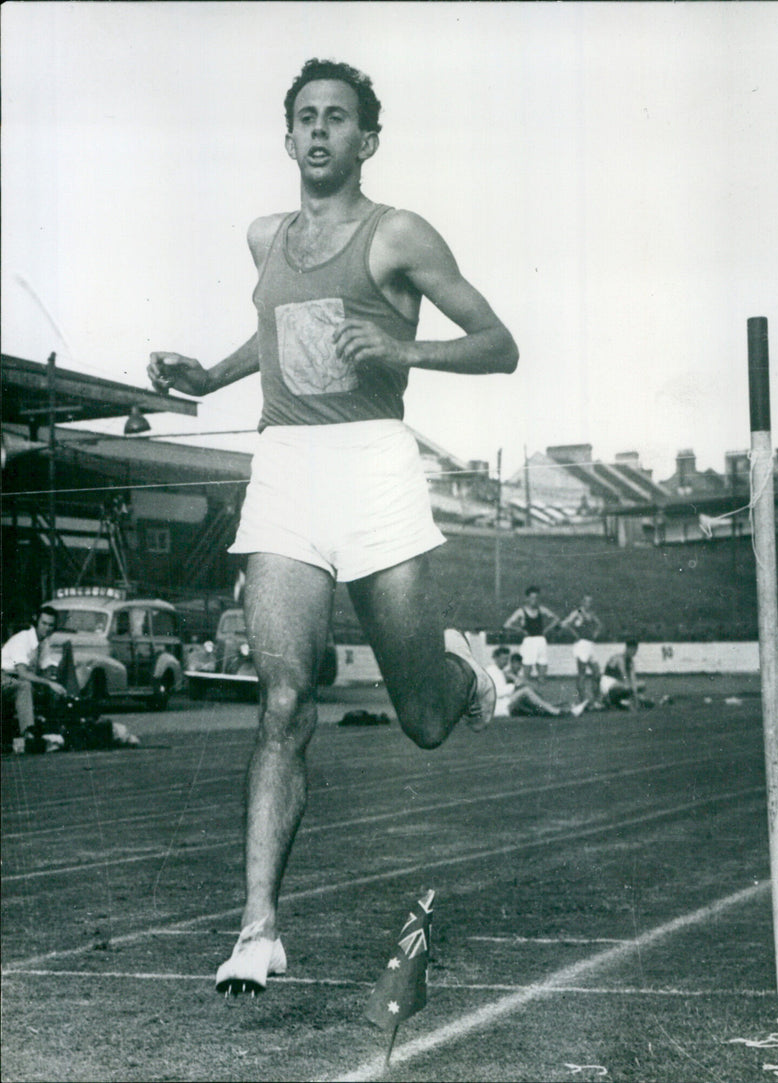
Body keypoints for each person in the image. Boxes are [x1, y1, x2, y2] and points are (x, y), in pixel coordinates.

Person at [147, 59, 518, 995]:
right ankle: (258, 927)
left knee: (425, 720)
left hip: (375, 467)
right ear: (288, 138)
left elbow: (500, 343)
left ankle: (465, 673)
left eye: (337, 119)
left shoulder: (399, 236)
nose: (319, 132)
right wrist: (206, 378)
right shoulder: (265, 235)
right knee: (282, 702)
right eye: (305, 119)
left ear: (367, 140)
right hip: (285, 472)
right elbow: (279, 332)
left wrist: (404, 347)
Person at [1, 607, 67, 748]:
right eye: (44, 623)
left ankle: (55, 731)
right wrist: (49, 683)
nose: (47, 628)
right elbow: (22, 673)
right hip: (4, 675)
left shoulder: (43, 642)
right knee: (24, 686)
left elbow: (46, 668)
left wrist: (55, 682)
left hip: (14, 679)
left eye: (51, 625)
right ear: (36, 621)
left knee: (46, 689)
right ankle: (28, 734)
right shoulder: (23, 639)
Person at [485, 647, 570, 718]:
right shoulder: (491, 671)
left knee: (528, 697)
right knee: (526, 691)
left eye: (507, 659)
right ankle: (554, 710)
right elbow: (496, 693)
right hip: (498, 706)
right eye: (503, 659)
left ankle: (554, 708)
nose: (506, 662)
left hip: (504, 702)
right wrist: (513, 686)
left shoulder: (499, 671)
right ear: (495, 658)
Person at [503, 585, 562, 680]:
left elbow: (556, 619)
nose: (534, 600)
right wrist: (520, 630)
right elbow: (507, 624)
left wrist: (547, 629)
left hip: (541, 640)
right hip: (529, 641)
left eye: (536, 598)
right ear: (527, 598)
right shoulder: (521, 611)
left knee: (542, 666)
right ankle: (526, 691)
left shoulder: (541, 609)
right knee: (527, 667)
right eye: (532, 598)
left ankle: (541, 689)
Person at [561, 594, 603, 706]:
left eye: (590, 601)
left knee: (597, 673)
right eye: (587, 601)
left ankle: (596, 700)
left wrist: (595, 634)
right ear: (582, 602)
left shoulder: (591, 614)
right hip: (581, 645)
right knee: (582, 673)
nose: (589, 603)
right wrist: (574, 634)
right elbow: (565, 624)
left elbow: (599, 625)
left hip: (590, 644)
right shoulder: (577, 613)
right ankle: (582, 700)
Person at [599, 639, 654, 710]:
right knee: (628, 687)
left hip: (618, 684)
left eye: (635, 650)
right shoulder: (619, 658)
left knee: (642, 684)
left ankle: (624, 701)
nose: (634, 653)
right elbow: (624, 675)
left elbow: (633, 678)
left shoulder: (631, 662)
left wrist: (634, 692)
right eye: (633, 650)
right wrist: (633, 690)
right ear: (628, 648)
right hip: (608, 683)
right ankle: (630, 700)